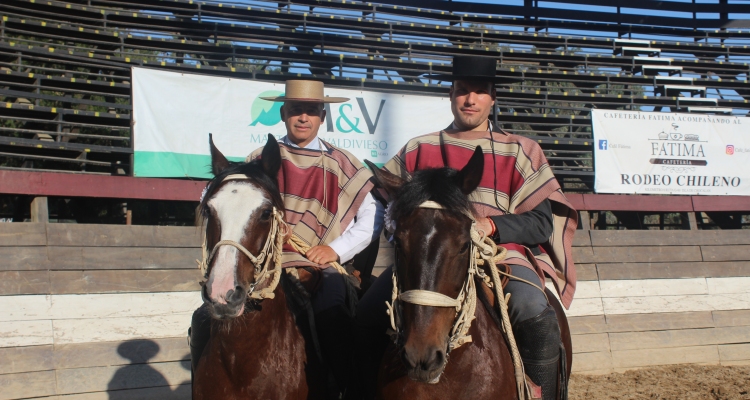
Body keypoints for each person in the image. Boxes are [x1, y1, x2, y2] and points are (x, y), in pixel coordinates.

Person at [355, 56, 578, 400]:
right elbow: (384, 204)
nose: (470, 100)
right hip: (427, 260)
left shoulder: (521, 150)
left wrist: (492, 225)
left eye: (479, 92)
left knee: (537, 316)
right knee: (366, 314)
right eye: (462, 91)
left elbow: (541, 222)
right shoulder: (419, 148)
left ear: (492, 98)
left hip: (503, 259)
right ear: (451, 95)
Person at [189, 80, 384, 399]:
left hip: (319, 265)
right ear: (283, 113)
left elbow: (372, 216)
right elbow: (223, 197)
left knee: (332, 311)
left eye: (310, 111)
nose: (303, 118)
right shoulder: (259, 157)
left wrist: (334, 249)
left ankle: (346, 388)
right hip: (261, 263)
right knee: (202, 317)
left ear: (322, 115)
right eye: (296, 110)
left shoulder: (341, 162)